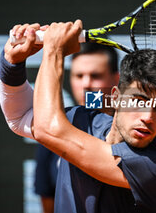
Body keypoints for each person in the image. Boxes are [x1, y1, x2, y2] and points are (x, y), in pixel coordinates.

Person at [0, 21, 156, 213]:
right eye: (139, 101)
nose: (148, 117)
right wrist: (12, 65)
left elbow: (47, 127)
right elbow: (21, 116)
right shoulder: (81, 120)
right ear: (116, 97)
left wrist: (54, 51)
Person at [34, 42, 119, 213]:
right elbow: (49, 203)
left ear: (116, 79)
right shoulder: (51, 135)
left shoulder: (136, 134)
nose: (86, 83)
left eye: (95, 75)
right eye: (79, 76)